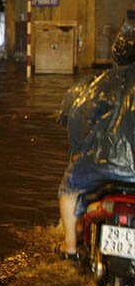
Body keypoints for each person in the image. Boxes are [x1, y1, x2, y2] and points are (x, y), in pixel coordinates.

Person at [56, 24, 135, 259]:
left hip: (103, 165)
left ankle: (70, 245)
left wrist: (81, 151)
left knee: (68, 190)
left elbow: (79, 117)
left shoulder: (102, 81)